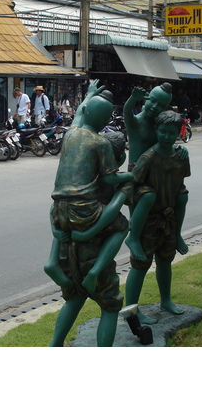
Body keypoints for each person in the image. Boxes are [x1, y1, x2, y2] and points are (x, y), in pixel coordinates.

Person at [46, 80, 134, 347]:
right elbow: (110, 180)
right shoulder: (101, 144)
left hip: (58, 208)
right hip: (84, 211)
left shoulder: (71, 134)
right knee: (121, 225)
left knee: (74, 297)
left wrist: (89, 96)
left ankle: (53, 346)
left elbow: (81, 114)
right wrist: (134, 175)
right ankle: (95, 268)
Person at [124, 109, 191, 323]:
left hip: (169, 218)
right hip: (149, 220)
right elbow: (133, 183)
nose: (166, 136)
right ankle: (132, 309)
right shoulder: (149, 157)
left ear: (178, 133)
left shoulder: (180, 156)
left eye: (171, 133)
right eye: (162, 131)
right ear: (156, 130)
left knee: (165, 260)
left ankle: (166, 300)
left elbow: (180, 185)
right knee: (141, 264)